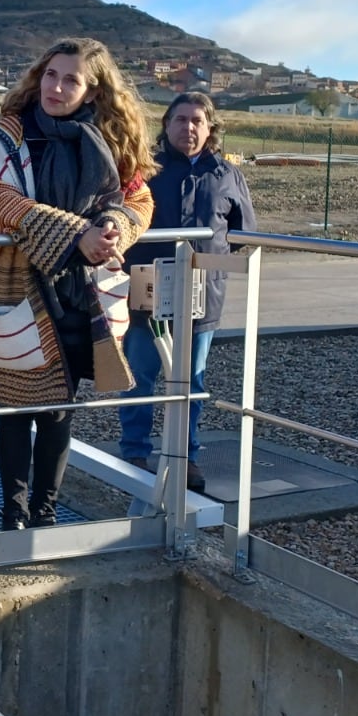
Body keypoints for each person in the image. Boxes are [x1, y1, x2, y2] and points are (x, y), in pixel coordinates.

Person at [0, 37, 155, 530]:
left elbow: (139, 199)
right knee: (14, 404)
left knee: (58, 408)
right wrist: (77, 234)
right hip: (18, 284)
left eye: (70, 79)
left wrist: (114, 225)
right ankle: (13, 512)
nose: (55, 86)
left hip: (82, 293)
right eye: (51, 74)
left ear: (92, 91)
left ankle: (45, 512)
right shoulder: (11, 132)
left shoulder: (109, 141)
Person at [118, 92, 256, 489]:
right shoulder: (145, 170)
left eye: (197, 120)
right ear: (166, 124)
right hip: (148, 292)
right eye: (181, 119)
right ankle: (135, 452)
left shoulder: (227, 175)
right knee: (140, 376)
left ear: (210, 128)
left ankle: (185, 456)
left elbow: (243, 233)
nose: (189, 128)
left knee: (192, 380)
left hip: (203, 298)